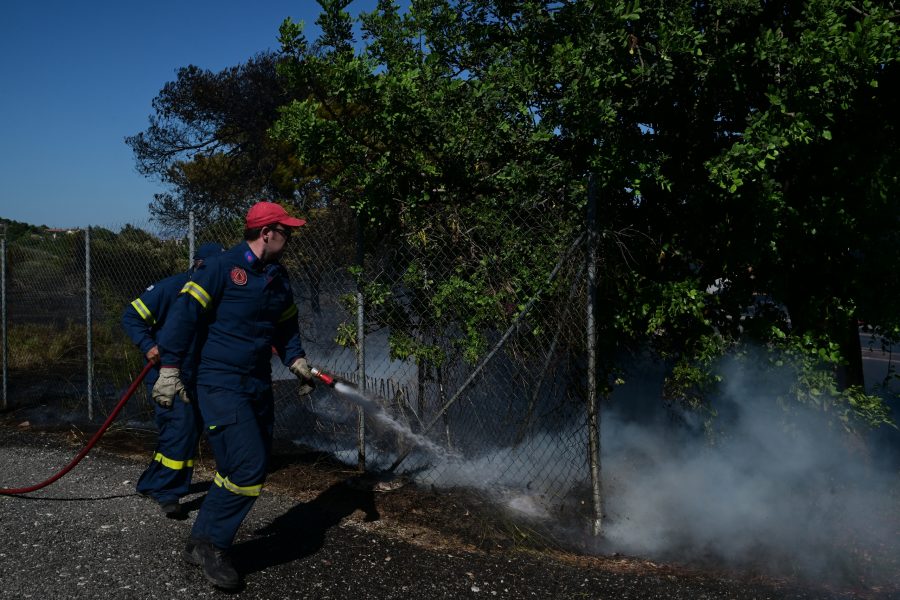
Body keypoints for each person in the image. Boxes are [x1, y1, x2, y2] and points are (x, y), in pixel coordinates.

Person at [152, 201, 317, 590]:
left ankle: (200, 540)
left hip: (257, 383)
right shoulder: (220, 269)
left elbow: (286, 324)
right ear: (266, 233)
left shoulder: (278, 276)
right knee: (248, 467)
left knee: (233, 468)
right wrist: (170, 368)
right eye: (286, 231)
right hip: (220, 382)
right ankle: (216, 546)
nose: (290, 238)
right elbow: (182, 317)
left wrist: (295, 359)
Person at [121, 242, 225, 517]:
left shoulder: (218, 293)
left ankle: (151, 482)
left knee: (181, 432)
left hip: (197, 373)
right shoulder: (170, 288)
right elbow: (131, 316)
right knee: (181, 429)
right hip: (166, 374)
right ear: (199, 265)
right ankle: (169, 493)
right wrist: (148, 346)